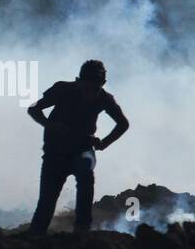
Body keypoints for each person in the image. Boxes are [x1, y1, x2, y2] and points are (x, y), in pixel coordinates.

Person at [27, 59, 130, 234]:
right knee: (47, 200)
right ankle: (36, 236)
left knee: (86, 176)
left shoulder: (105, 98)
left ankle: (82, 229)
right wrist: (48, 124)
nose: (90, 92)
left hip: (83, 149)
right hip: (55, 152)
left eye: (94, 88)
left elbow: (123, 124)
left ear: (103, 84)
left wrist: (104, 143)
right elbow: (34, 108)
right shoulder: (62, 90)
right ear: (78, 81)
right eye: (86, 87)